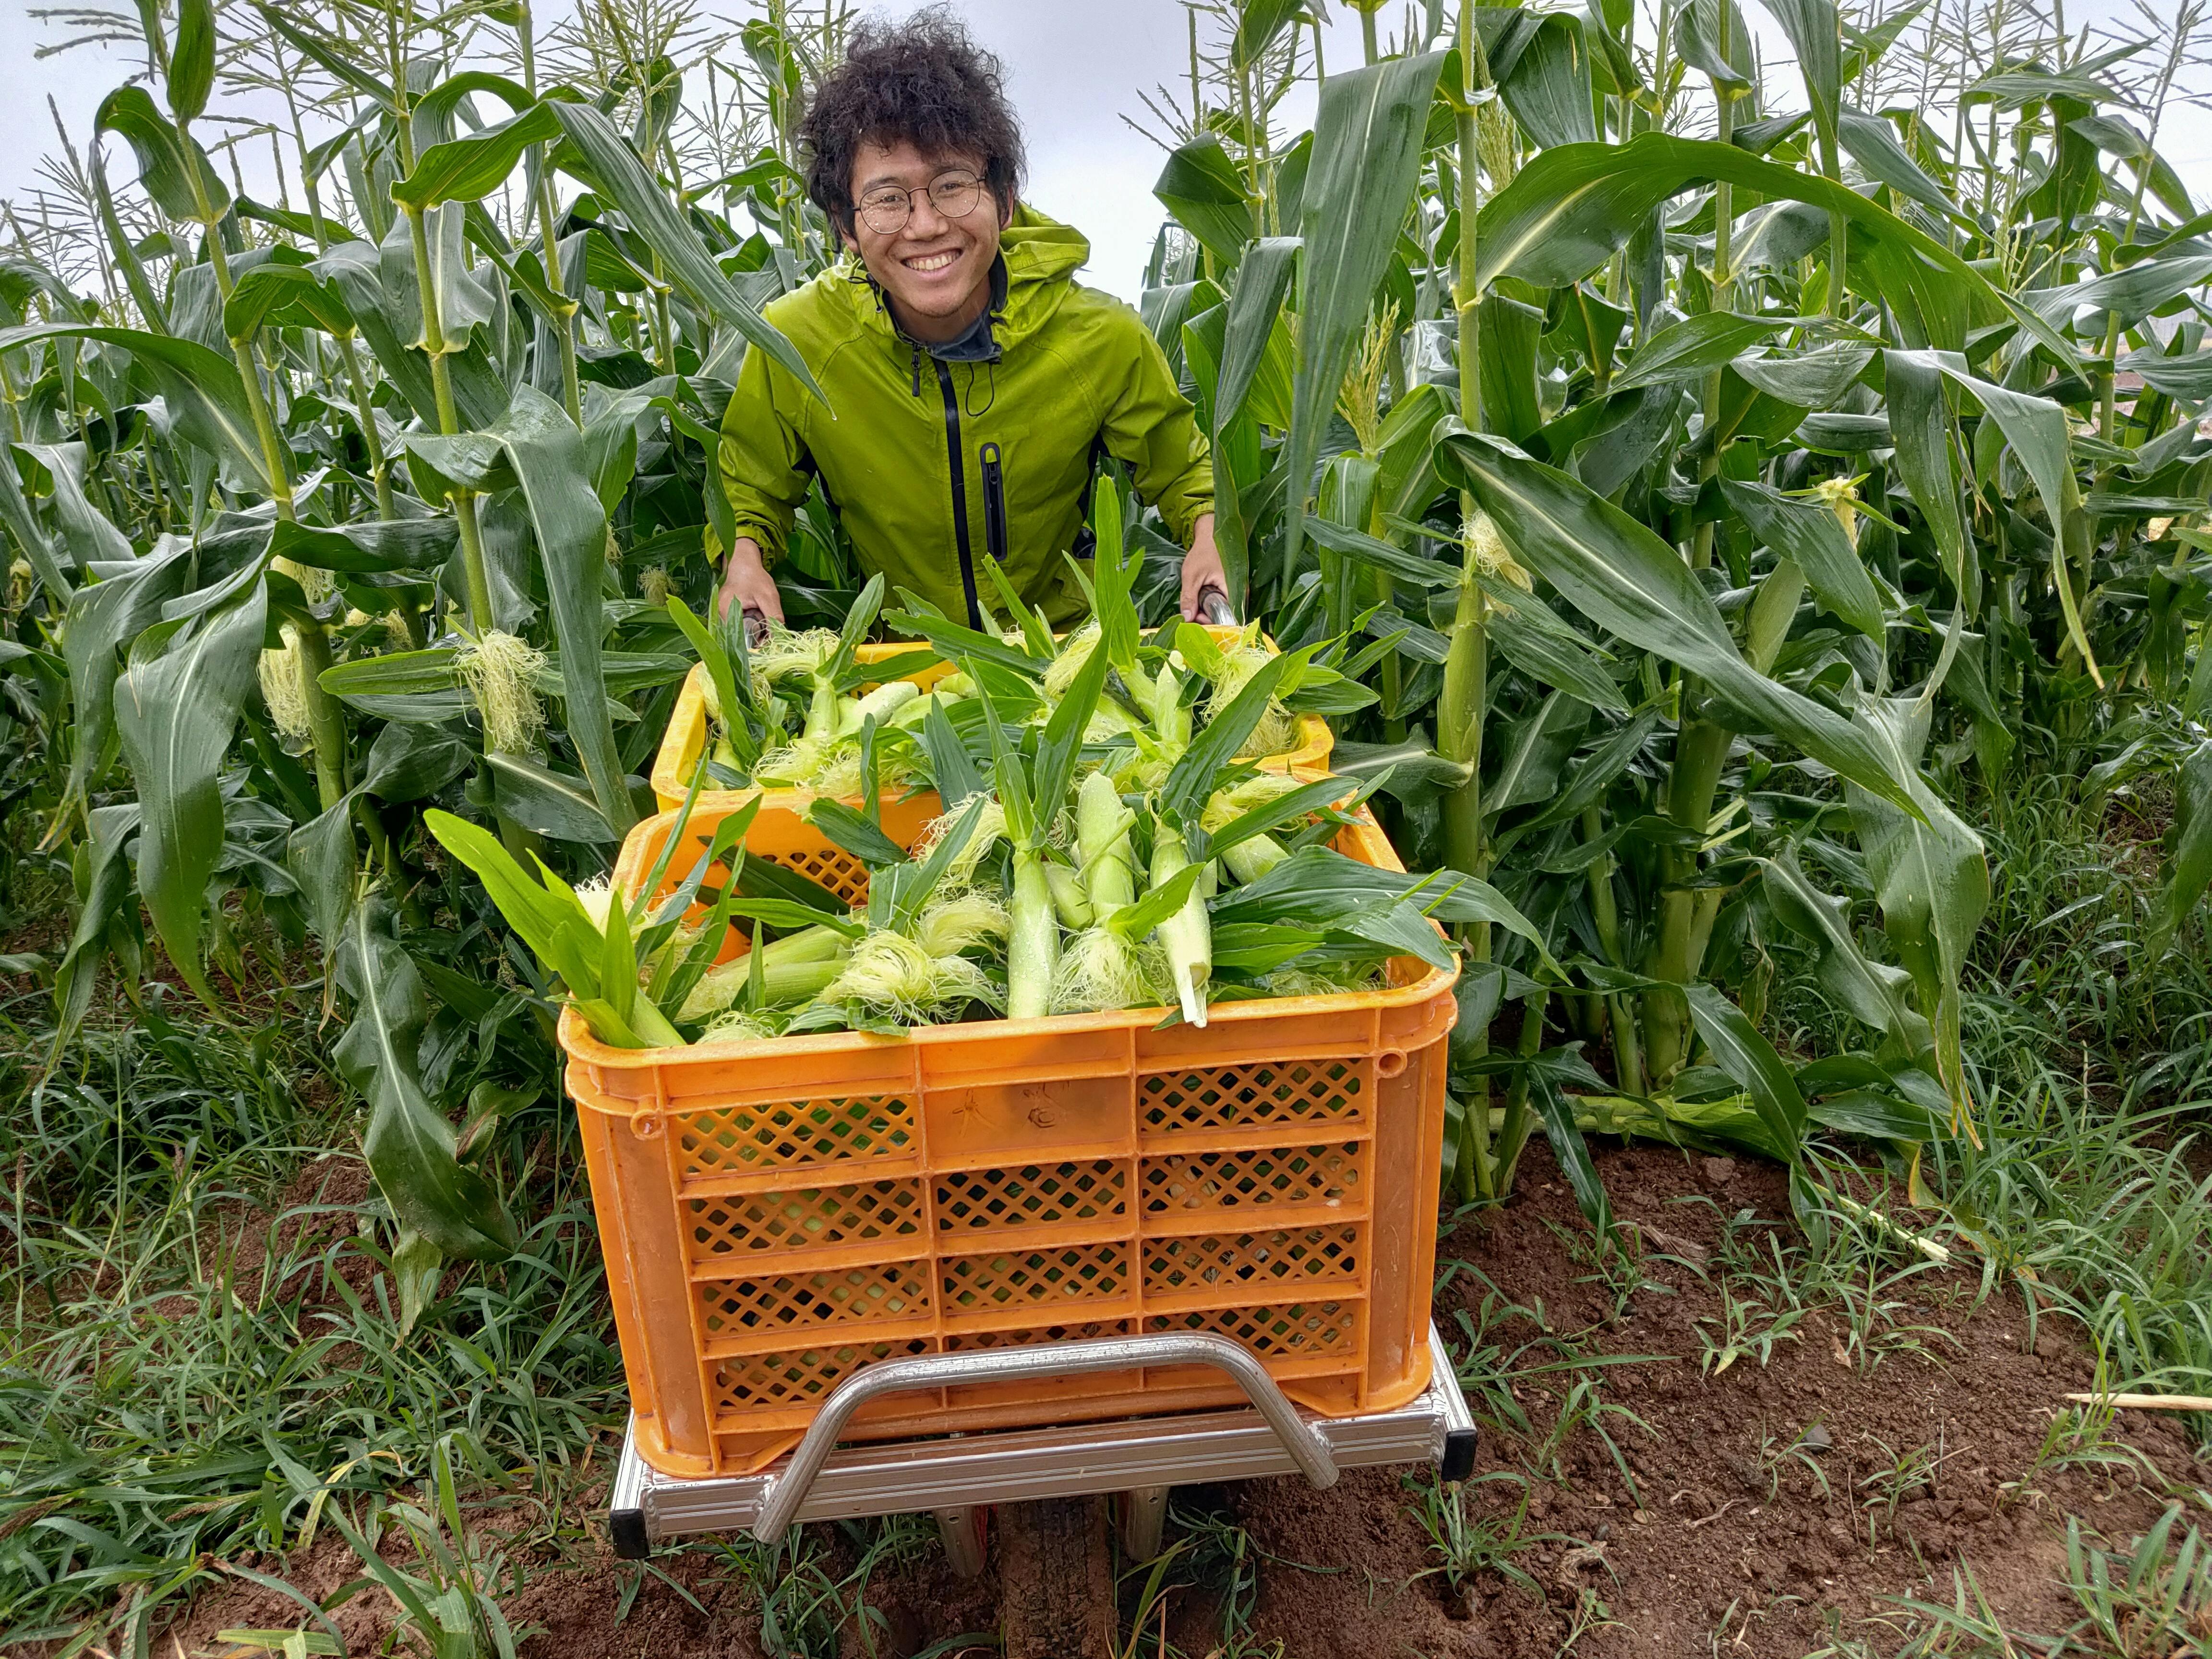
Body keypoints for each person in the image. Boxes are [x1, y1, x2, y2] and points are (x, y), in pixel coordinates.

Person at [712, 8, 1227, 634]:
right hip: (905, 663)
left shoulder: (1098, 338)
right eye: (887, 199)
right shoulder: (798, 345)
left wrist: (1208, 538)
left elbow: (1186, 475)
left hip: (1062, 656)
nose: (926, 225)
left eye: (952, 186)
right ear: (846, 226)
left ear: (1004, 201)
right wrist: (744, 561)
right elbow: (752, 492)